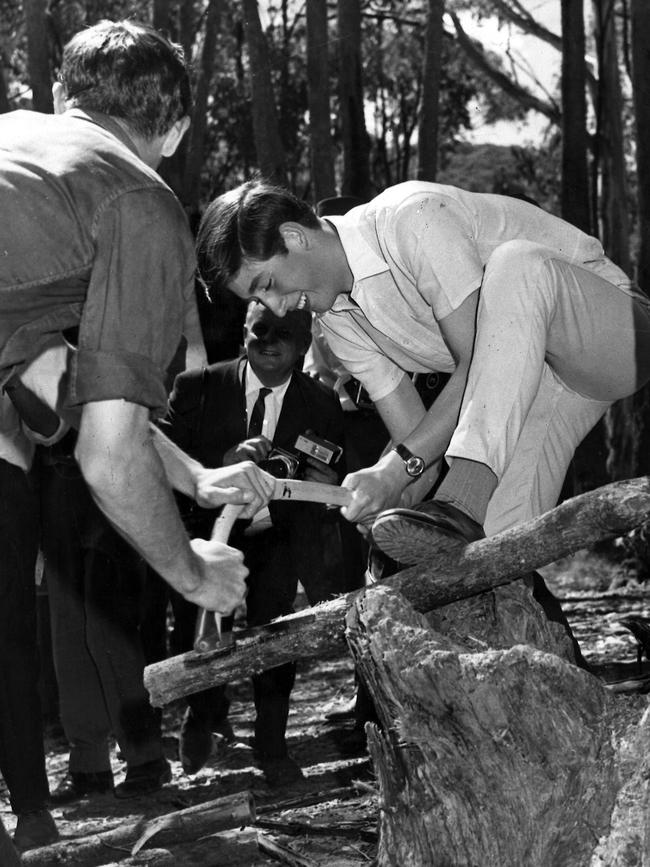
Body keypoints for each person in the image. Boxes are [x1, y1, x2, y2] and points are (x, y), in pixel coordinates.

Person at [195, 179, 650, 626]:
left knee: (517, 265)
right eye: (257, 298)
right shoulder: (335, 321)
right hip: (537, 385)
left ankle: (464, 500)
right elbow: (417, 442)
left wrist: (397, 472)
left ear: (294, 236)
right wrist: (383, 495)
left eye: (268, 283)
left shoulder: (411, 219)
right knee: (494, 565)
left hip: (614, 333)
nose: (274, 308)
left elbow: (477, 364)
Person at [0, 20, 276, 635]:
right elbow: (110, 455)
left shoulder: (16, 136)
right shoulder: (139, 200)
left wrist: (194, 477)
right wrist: (197, 574)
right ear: (175, 133)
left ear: (59, 99)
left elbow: (59, 378)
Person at [151, 302, 348, 785]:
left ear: (304, 346)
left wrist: (326, 479)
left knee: (276, 633)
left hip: (278, 535)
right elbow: (163, 458)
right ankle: (203, 717)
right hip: (210, 533)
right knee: (200, 633)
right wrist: (220, 460)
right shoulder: (198, 387)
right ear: (243, 333)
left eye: (285, 334)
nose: (270, 342)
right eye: (260, 331)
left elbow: (337, 475)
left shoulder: (321, 403)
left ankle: (273, 748)